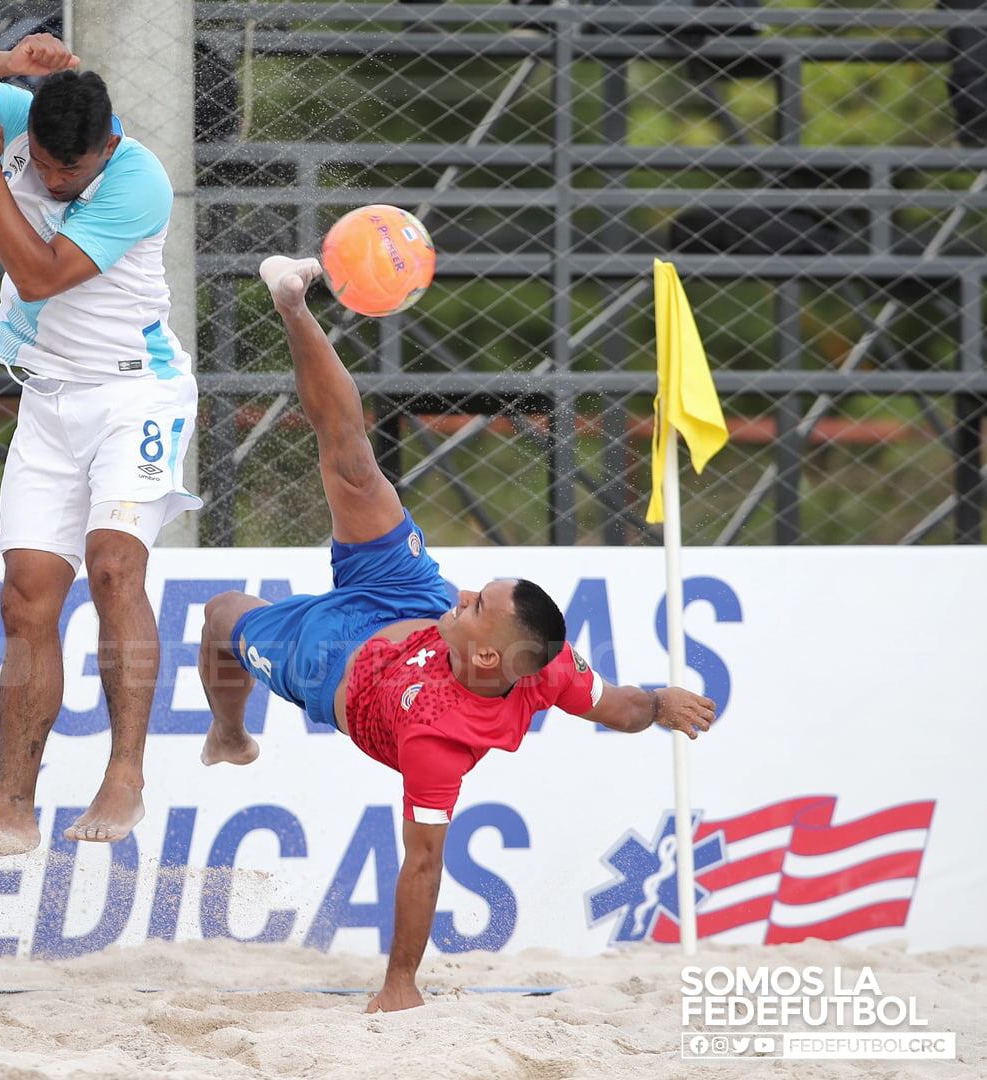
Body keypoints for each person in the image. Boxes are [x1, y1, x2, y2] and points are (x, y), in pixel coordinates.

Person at [198, 255, 718, 1013]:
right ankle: (293, 307)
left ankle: (229, 734)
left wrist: (400, 983)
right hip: (404, 600)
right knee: (352, 463)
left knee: (219, 614)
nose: (469, 591)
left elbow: (422, 864)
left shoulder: (437, 742)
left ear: (482, 653)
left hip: (335, 658)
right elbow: (621, 709)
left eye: (479, 604)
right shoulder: (545, 665)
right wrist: (662, 698)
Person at [0, 35, 201, 849]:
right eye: (39, 163)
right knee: (26, 599)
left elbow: (42, 275)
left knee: (115, 568)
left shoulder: (138, 179)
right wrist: (9, 60)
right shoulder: (24, 115)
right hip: (48, 397)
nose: (49, 179)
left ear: (104, 147)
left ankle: (125, 779)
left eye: (65, 174)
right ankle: (11, 808)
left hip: (134, 391)